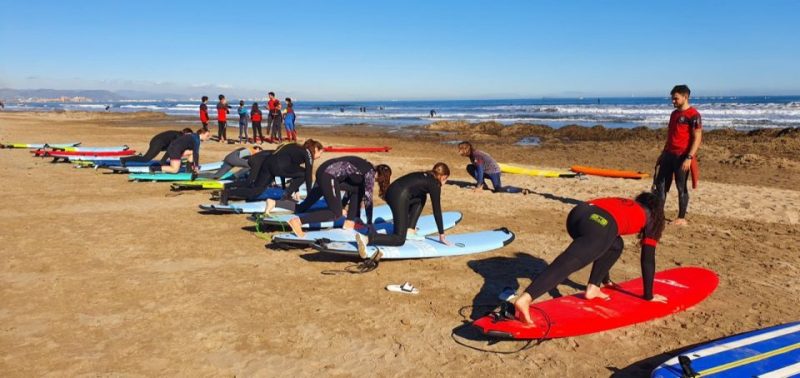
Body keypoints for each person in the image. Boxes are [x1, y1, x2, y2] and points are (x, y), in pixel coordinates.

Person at [510, 192, 667, 326]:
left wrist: (605, 279)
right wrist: (649, 296)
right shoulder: (652, 219)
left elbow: (604, 245)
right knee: (570, 262)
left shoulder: (627, 204)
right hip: (601, 223)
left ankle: (593, 287)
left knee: (615, 244)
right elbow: (647, 259)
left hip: (579, 214)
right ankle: (525, 299)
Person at [265, 157, 391, 238]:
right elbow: (368, 200)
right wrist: (370, 224)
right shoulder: (369, 173)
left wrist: (345, 209)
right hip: (328, 175)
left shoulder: (364, 167)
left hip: (325, 171)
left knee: (302, 207)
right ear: (380, 176)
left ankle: (275, 203)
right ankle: (297, 222)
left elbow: (353, 190)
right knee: (335, 213)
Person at [355, 163, 451, 256]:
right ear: (443, 177)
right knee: (399, 239)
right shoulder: (435, 184)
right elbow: (437, 210)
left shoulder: (425, 175)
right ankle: (366, 239)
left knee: (422, 197)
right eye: (446, 180)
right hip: (399, 197)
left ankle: (410, 229)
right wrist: (441, 235)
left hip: (392, 192)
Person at [653, 85, 703, 226]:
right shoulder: (674, 114)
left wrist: (689, 157)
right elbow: (670, 136)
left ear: (685, 97)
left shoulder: (694, 115)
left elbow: (697, 138)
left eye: (676, 98)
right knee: (660, 185)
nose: (673, 101)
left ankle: (681, 218)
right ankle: (659, 216)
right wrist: (662, 154)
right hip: (668, 155)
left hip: (682, 156)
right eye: (672, 98)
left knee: (681, 187)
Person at [220, 139, 324, 204]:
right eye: (320, 152)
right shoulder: (308, 153)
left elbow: (291, 170)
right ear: (316, 149)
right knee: (304, 172)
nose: (320, 156)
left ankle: (227, 193)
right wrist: (310, 196)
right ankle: (286, 196)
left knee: (256, 190)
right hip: (278, 166)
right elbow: (308, 175)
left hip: (268, 164)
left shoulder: (295, 147)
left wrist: (292, 188)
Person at [458, 141, 525, 194]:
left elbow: (480, 171)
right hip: (486, 171)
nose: (459, 152)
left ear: (466, 149)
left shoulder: (476, 155)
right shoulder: (472, 155)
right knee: (470, 167)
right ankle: (483, 185)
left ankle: (521, 190)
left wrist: (478, 187)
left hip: (494, 172)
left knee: (498, 189)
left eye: (460, 150)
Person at [119, 128, 192, 167]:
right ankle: (124, 159)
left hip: (159, 142)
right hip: (158, 142)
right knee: (146, 159)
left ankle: (164, 161)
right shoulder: (179, 136)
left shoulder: (178, 134)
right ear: (185, 133)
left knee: (173, 149)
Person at [196, 145, 263, 180]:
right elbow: (249, 162)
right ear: (256, 149)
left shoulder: (246, 152)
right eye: (259, 151)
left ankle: (197, 175)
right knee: (250, 166)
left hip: (228, 159)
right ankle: (236, 176)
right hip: (233, 158)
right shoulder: (250, 150)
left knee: (216, 176)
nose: (259, 154)